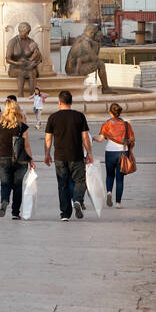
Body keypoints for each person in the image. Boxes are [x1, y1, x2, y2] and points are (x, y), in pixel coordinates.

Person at [43, 90, 93, 221]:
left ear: (59, 102)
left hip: (59, 156)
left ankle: (65, 214)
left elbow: (48, 139)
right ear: (71, 102)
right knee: (80, 181)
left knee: (62, 184)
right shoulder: (79, 116)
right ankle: (77, 200)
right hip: (76, 155)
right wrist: (89, 153)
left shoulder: (53, 117)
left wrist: (47, 154)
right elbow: (85, 137)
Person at [0, 99, 34, 220]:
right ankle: (15, 212)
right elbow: (26, 145)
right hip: (20, 160)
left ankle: (4, 200)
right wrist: (31, 160)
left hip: (3, 158)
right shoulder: (22, 126)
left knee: (5, 184)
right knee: (17, 186)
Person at [96, 102, 135, 209]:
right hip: (123, 152)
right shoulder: (127, 125)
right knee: (120, 178)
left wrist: (93, 138)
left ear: (110, 112)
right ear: (119, 112)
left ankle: (109, 192)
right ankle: (118, 203)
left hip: (110, 152)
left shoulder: (107, 124)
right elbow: (132, 139)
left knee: (109, 175)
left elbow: (100, 139)